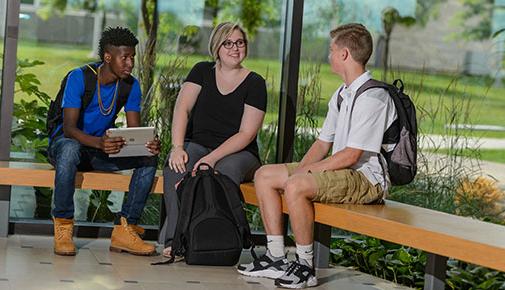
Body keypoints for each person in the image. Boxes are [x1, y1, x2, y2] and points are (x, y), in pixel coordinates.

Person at [237, 23, 398, 288]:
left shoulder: (373, 97)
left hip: (366, 179)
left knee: (297, 185)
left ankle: (304, 265)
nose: (328, 55)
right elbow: (323, 143)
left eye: (331, 50)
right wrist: (301, 168)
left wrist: (304, 175)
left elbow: (351, 155)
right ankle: (277, 256)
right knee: (264, 175)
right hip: (343, 172)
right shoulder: (342, 94)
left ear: (344, 54)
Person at [48, 26, 160, 256]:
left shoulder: (130, 85)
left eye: (132, 58)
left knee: (148, 157)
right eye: (125, 58)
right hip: (65, 147)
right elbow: (68, 129)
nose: (130, 63)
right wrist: (99, 143)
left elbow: (134, 131)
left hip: (98, 150)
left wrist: (146, 143)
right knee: (70, 149)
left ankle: (125, 229)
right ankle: (64, 226)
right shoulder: (79, 77)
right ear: (108, 57)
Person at [159, 22, 267, 259]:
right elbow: (182, 108)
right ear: (217, 47)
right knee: (178, 167)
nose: (235, 48)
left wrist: (212, 158)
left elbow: (246, 134)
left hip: (239, 153)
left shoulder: (255, 83)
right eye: (228, 43)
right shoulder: (201, 71)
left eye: (240, 42)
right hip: (198, 144)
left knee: (223, 172)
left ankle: (216, 241)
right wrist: (177, 147)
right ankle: (176, 240)